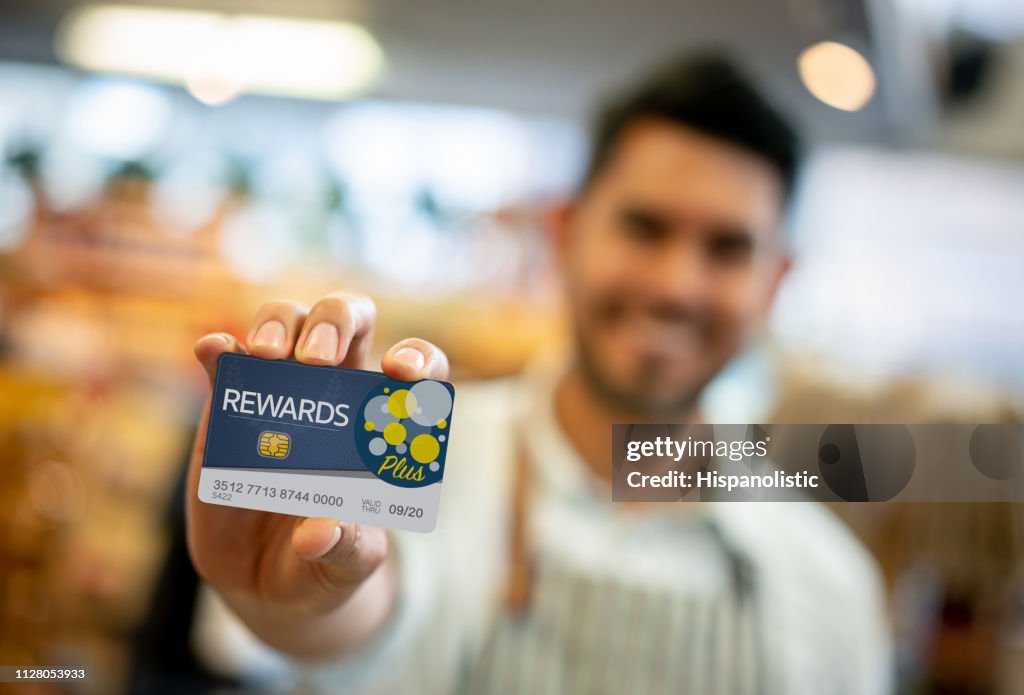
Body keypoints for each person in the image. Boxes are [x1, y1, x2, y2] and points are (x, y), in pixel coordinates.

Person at [186, 53, 891, 694]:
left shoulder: (829, 588)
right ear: (566, 232)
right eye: (645, 228)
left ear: (776, 280)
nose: (677, 284)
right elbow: (358, 604)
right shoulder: (407, 451)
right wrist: (296, 605)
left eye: (728, 249)